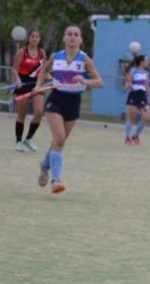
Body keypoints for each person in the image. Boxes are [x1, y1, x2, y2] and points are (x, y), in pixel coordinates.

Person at [35, 25, 103, 194]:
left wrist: (85, 81)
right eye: (69, 34)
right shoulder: (55, 56)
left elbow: (99, 82)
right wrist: (38, 86)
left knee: (59, 142)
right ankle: (56, 181)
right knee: (59, 138)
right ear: (64, 38)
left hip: (73, 102)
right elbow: (44, 70)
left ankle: (45, 165)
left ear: (80, 40)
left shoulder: (85, 60)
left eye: (76, 35)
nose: (72, 37)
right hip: (56, 99)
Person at [10, 29, 46, 152]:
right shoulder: (22, 52)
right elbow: (14, 69)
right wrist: (18, 81)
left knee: (39, 112)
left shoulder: (42, 53)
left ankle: (29, 139)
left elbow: (44, 70)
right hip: (23, 83)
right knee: (22, 114)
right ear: (29, 38)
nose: (35, 39)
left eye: (37, 37)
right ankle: (18, 141)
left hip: (37, 84)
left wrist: (53, 78)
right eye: (32, 36)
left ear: (39, 39)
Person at [123, 54, 150, 145]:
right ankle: (127, 138)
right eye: (146, 60)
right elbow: (126, 85)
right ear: (142, 62)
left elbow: (146, 87)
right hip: (134, 94)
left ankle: (135, 135)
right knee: (132, 118)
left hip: (142, 95)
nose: (148, 62)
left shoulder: (146, 73)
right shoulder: (133, 71)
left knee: (146, 117)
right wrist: (129, 86)